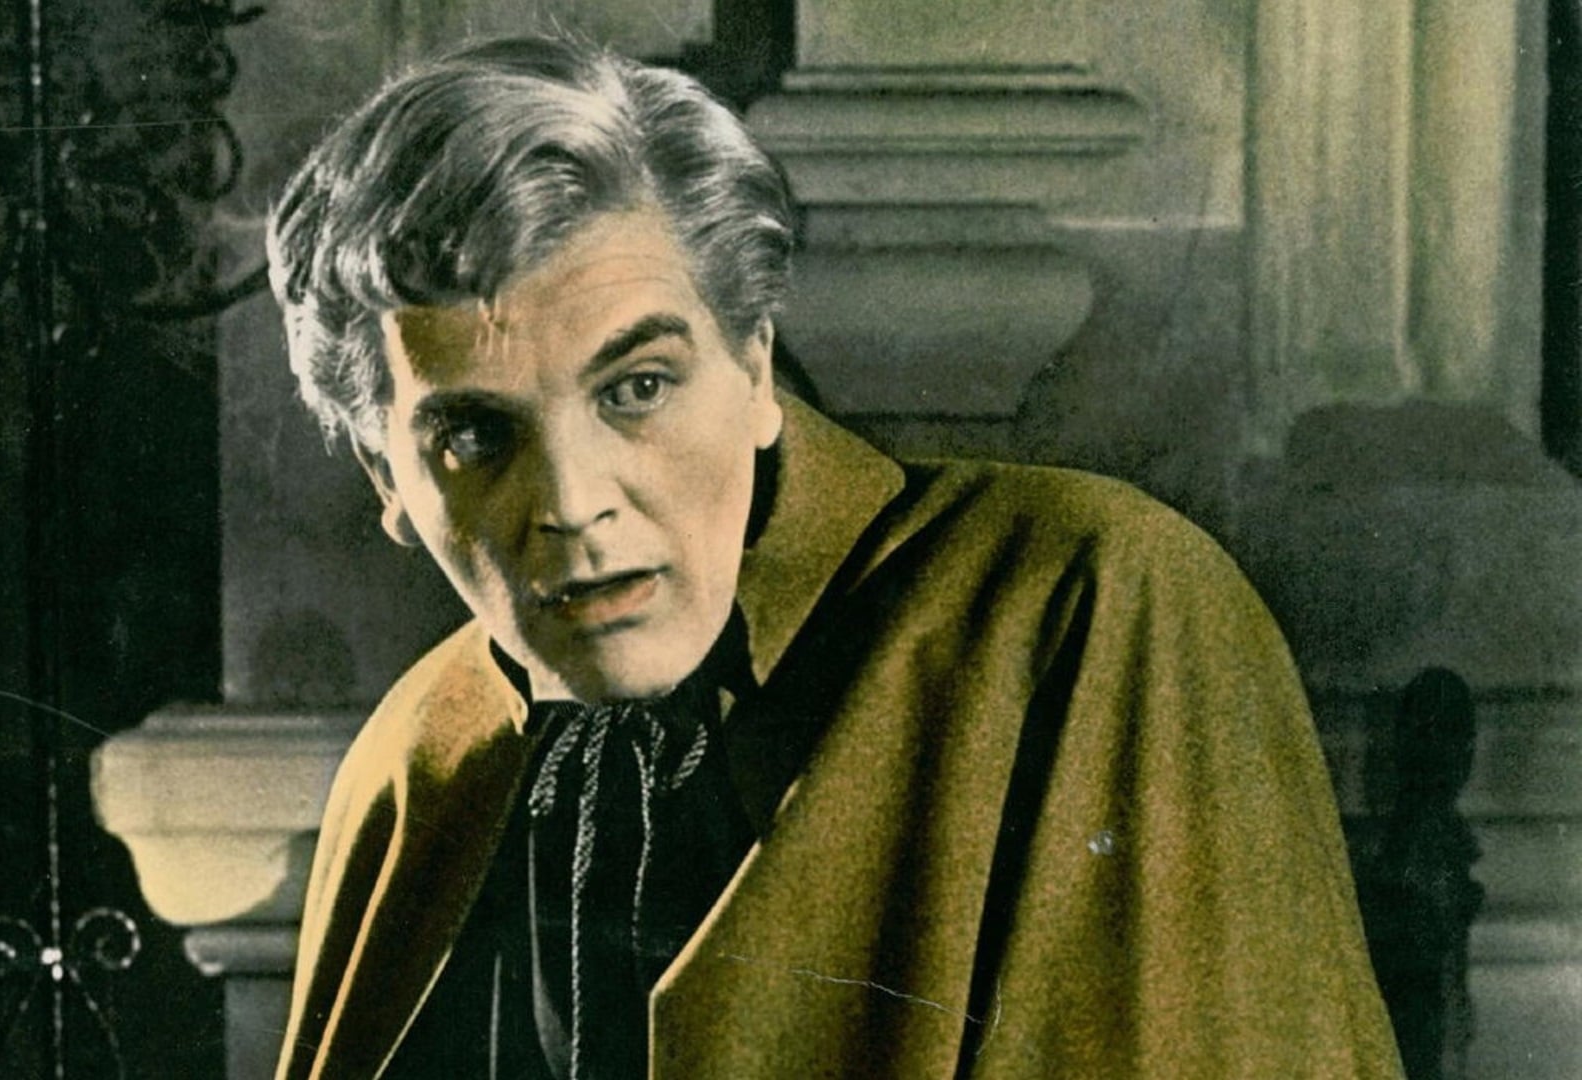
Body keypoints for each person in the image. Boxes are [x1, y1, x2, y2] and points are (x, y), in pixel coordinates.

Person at [263, 34, 1401, 1080]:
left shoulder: (1086, 602)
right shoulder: (421, 756)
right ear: (386, 479)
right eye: (475, 436)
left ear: (755, 368)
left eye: (638, 388)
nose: (571, 504)